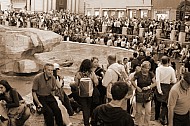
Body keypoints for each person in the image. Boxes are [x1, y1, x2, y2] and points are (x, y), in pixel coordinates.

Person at [131, 61, 156, 126]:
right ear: (142, 68)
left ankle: (146, 124)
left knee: (148, 111)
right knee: (138, 111)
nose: (147, 69)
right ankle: (137, 123)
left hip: (147, 94)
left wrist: (148, 87)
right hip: (139, 93)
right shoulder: (138, 74)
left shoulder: (151, 74)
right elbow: (132, 80)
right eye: (146, 68)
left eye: (148, 68)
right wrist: (137, 87)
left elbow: (155, 83)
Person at [74, 59, 98, 126]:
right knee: (89, 107)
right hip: (90, 93)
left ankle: (86, 123)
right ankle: (89, 121)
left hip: (82, 94)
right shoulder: (91, 73)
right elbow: (96, 82)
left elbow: (76, 84)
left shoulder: (79, 73)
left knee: (84, 108)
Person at [155, 56, 177, 125]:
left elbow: (157, 80)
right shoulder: (171, 69)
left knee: (157, 104)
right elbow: (174, 80)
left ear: (161, 62)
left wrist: (159, 90)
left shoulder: (158, 69)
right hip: (167, 86)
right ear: (168, 62)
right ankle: (163, 117)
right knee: (166, 103)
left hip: (160, 86)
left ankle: (157, 118)